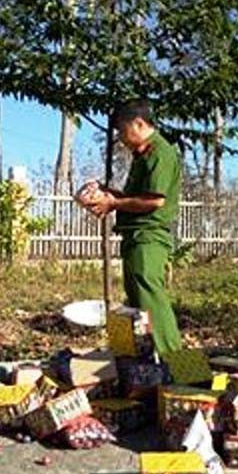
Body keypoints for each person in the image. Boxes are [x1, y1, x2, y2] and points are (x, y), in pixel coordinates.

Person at [84, 99, 183, 354]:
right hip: (136, 237)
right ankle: (147, 368)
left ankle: (183, 370)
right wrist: (106, 194)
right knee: (139, 302)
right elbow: (138, 196)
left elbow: (154, 200)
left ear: (138, 124)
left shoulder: (161, 152)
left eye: (121, 129)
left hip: (149, 237)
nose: (119, 137)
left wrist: (113, 202)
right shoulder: (144, 155)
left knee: (152, 302)